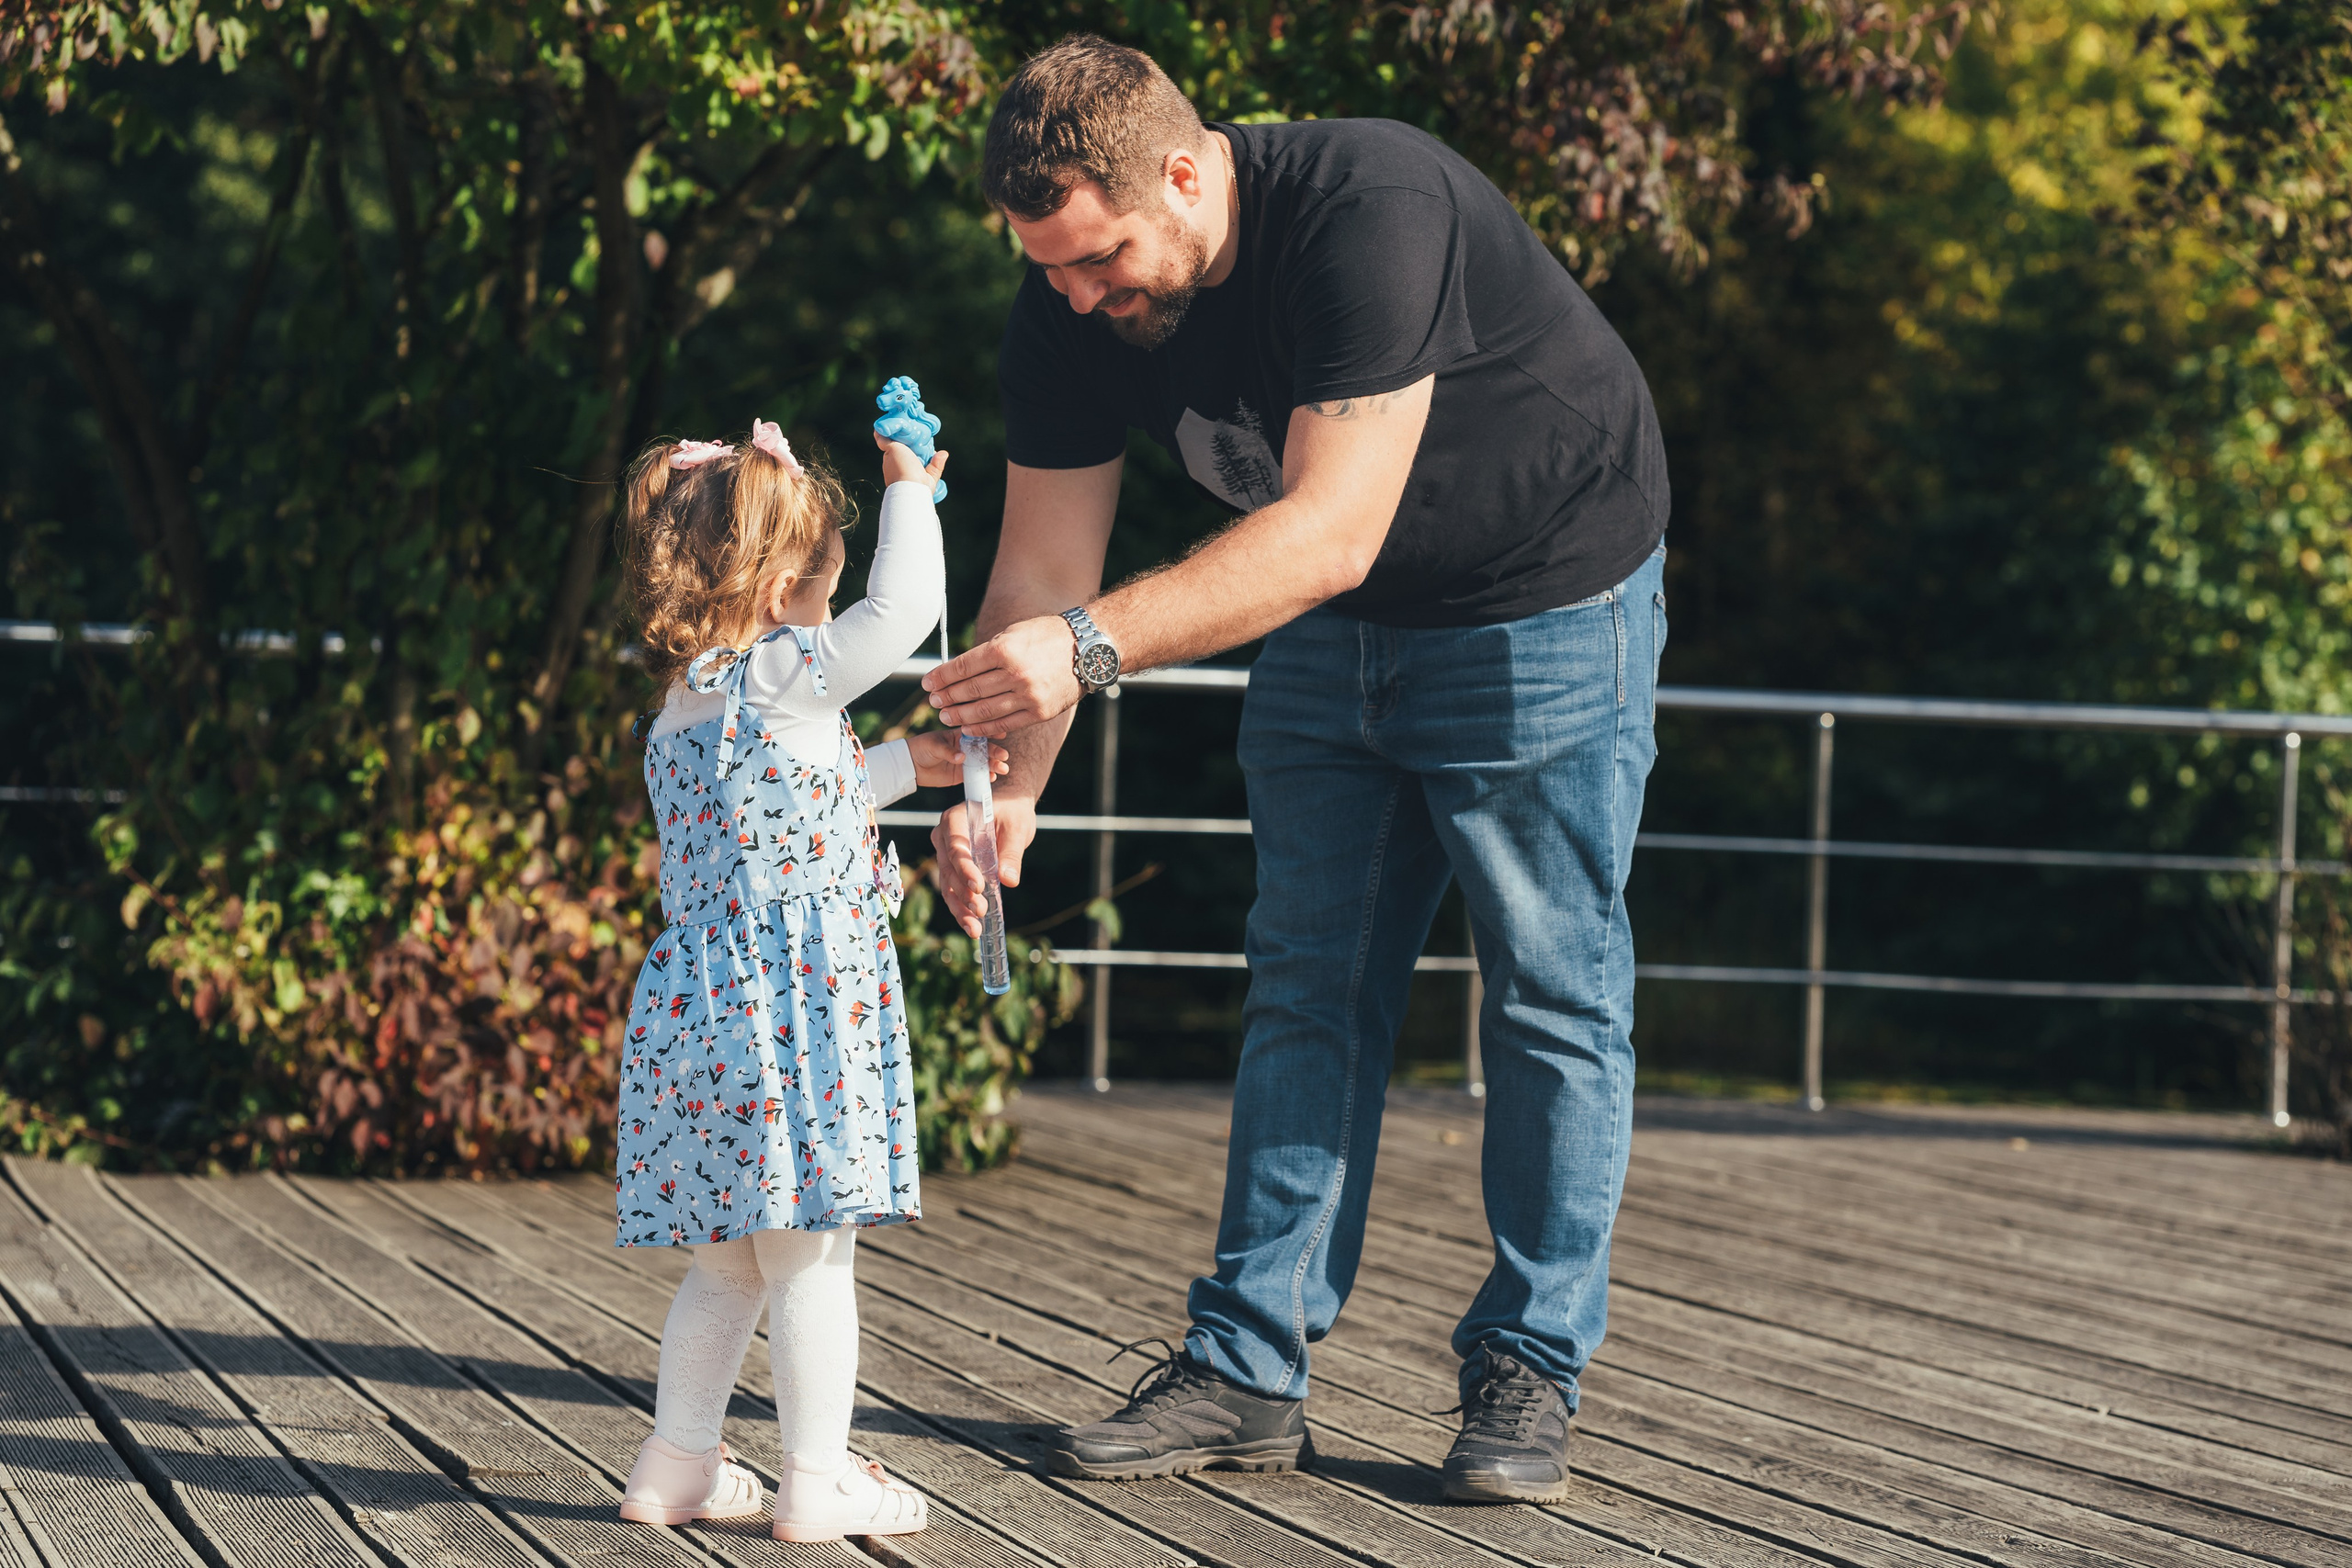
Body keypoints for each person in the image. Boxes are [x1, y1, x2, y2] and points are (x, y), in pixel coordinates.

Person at [922, 37, 1669, 1503]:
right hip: (1331, 623)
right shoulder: (1064, 300)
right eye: (1051, 266)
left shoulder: (1369, 205)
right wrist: (1005, 786)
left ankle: (1530, 1362)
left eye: (1102, 256)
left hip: (1541, 592)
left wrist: (1083, 650)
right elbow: (1043, 570)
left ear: (1189, 175)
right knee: (1305, 981)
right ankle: (1248, 1364)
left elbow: (1328, 527)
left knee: (1550, 988)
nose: (1078, 292)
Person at [608, 416, 1000, 1540]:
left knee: (729, 1261)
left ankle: (677, 1461)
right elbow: (907, 618)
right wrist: (908, 493)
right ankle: (818, 1478)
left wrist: (891, 769)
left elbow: (774, 818)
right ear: (784, 588)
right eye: (823, 595)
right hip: (795, 1021)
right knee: (814, 1259)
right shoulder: (784, 669)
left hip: (705, 1023)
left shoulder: (680, 710)